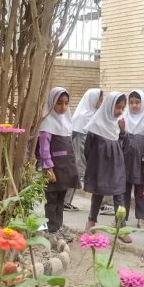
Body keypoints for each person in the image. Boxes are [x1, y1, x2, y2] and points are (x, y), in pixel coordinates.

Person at [39, 87, 80, 243]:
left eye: (66, 103)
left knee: (61, 199)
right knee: (52, 199)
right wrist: (48, 168)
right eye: (59, 103)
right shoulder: (47, 123)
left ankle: (58, 227)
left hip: (66, 168)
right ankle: (52, 229)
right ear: (51, 103)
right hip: (54, 169)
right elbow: (44, 149)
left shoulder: (66, 122)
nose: (63, 107)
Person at [83, 92, 127, 233]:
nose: (119, 111)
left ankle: (121, 226)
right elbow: (88, 148)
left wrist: (122, 132)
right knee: (98, 192)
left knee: (119, 192)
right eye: (117, 107)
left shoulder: (117, 124)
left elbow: (121, 143)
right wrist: (93, 164)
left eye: (122, 108)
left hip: (116, 165)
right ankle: (91, 221)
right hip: (100, 165)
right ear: (109, 106)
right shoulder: (96, 124)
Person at [121, 90, 144, 234]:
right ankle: (121, 218)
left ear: (143, 103)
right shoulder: (123, 119)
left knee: (141, 190)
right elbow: (119, 140)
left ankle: (142, 219)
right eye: (131, 102)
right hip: (125, 161)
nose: (134, 105)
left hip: (141, 162)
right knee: (123, 190)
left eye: (137, 102)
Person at [65, 88, 103, 211]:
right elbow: (76, 136)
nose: (101, 102)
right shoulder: (83, 116)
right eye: (100, 99)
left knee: (79, 173)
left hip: (87, 148)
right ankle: (65, 201)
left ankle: (66, 201)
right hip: (79, 147)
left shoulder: (92, 114)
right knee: (76, 172)